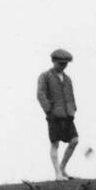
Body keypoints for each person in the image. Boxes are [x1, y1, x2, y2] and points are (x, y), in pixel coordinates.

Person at [37, 49, 78, 180]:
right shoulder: (45, 76)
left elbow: (71, 96)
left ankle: (62, 168)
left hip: (67, 115)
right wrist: (49, 109)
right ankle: (57, 174)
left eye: (65, 63)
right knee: (55, 144)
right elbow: (40, 94)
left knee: (74, 140)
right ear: (53, 61)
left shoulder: (67, 79)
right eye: (60, 63)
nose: (63, 66)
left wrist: (73, 108)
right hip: (54, 115)